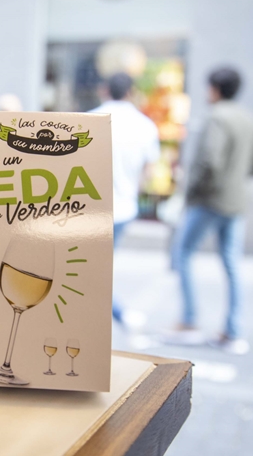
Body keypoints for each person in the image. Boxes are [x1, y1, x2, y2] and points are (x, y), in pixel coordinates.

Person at [169, 67, 253, 354]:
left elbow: (209, 161)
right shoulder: (248, 118)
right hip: (237, 202)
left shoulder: (216, 117)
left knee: (183, 252)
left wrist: (191, 193)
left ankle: (189, 321)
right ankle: (233, 331)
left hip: (209, 200)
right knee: (232, 264)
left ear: (215, 89)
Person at [90, 73, 160, 328]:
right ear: (131, 92)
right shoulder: (146, 126)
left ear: (104, 90)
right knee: (96, 269)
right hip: (124, 209)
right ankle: (116, 315)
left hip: (91, 209)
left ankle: (114, 315)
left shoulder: (90, 120)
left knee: (91, 269)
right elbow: (148, 172)